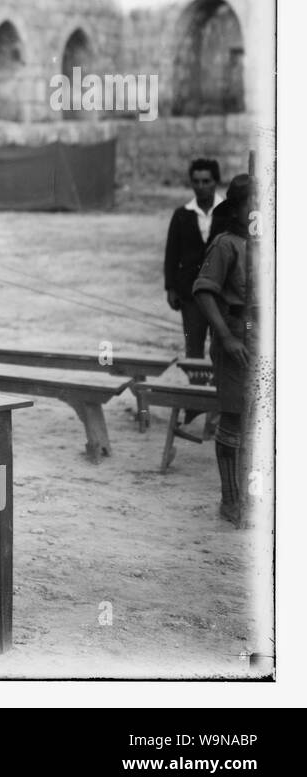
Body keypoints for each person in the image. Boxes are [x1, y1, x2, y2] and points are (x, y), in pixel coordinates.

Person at [192, 174, 258, 527]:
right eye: (253, 203)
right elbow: (203, 292)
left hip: (262, 335)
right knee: (234, 420)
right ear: (236, 209)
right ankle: (231, 501)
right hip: (235, 335)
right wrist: (228, 339)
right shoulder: (226, 245)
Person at [165, 158, 223, 359]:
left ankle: (218, 389)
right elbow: (171, 254)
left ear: (216, 182)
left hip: (221, 293)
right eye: (196, 182)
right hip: (190, 295)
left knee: (222, 347)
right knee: (193, 347)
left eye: (206, 181)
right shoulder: (182, 215)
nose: (201, 187)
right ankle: (195, 389)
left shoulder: (228, 212)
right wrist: (171, 288)